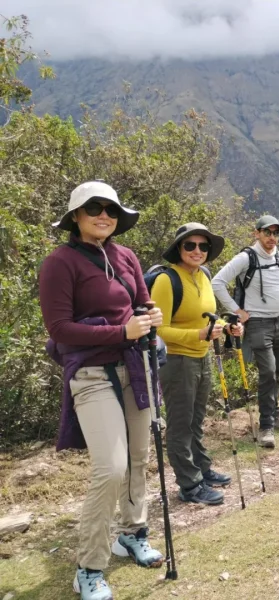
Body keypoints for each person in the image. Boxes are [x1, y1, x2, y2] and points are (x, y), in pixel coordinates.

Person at [40, 181, 164, 600]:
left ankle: (133, 532)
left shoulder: (125, 255)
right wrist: (122, 330)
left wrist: (151, 317)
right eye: (94, 207)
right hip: (92, 375)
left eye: (111, 209)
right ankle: (89, 567)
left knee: (139, 458)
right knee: (110, 467)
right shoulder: (59, 263)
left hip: (135, 368)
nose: (104, 215)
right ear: (75, 215)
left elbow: (142, 305)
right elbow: (59, 329)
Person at [150, 223, 244, 505]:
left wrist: (227, 327)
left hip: (202, 357)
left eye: (203, 246)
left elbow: (207, 318)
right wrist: (198, 335)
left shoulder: (203, 275)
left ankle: (202, 469)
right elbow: (156, 330)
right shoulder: (167, 281)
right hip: (177, 361)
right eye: (189, 245)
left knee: (196, 420)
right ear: (178, 248)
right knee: (180, 425)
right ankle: (190, 485)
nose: (197, 251)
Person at [212, 215, 279, 449]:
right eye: (267, 232)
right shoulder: (245, 258)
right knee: (268, 372)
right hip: (258, 323)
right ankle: (265, 427)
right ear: (256, 233)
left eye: (276, 233)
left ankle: (274, 417)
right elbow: (217, 282)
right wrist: (237, 310)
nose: (272, 237)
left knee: (277, 373)